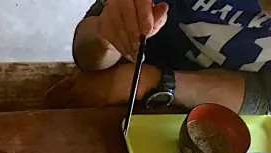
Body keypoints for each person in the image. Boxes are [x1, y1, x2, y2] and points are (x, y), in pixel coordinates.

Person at [48, 0, 271, 114]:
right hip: (116, 90)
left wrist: (154, 81)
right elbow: (86, 50)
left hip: (226, 120)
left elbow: (264, 98)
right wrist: (108, 38)